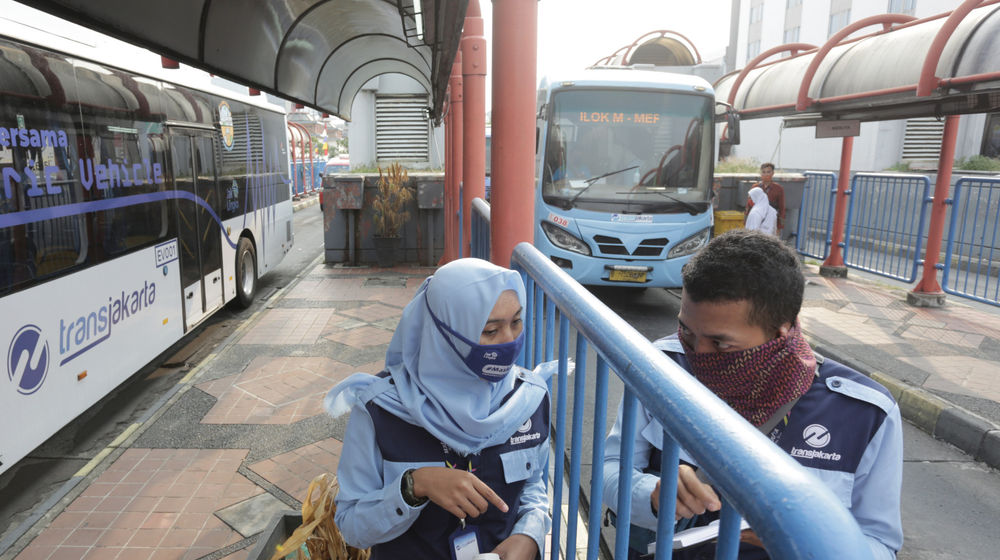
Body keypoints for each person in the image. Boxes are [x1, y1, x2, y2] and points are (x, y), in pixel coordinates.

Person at [603, 230, 903, 559]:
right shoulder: (660, 368)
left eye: (721, 344)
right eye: (687, 333)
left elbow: (878, 539)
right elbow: (611, 468)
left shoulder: (865, 413)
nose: (697, 357)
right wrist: (654, 495)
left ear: (782, 332)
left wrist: (803, 543)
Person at [325, 258, 552, 559]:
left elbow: (533, 489)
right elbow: (351, 526)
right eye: (490, 331)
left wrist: (529, 536)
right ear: (443, 333)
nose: (509, 342)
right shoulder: (381, 410)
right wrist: (414, 486)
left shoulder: (528, 400)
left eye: (516, 322)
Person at [744, 163, 786, 233]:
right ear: (761, 174)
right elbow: (749, 205)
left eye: (768, 172)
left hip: (771, 218)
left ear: (773, 173)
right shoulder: (755, 187)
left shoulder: (778, 189)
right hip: (757, 219)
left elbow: (782, 208)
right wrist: (746, 221)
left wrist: (779, 227)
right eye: (763, 172)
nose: (766, 174)